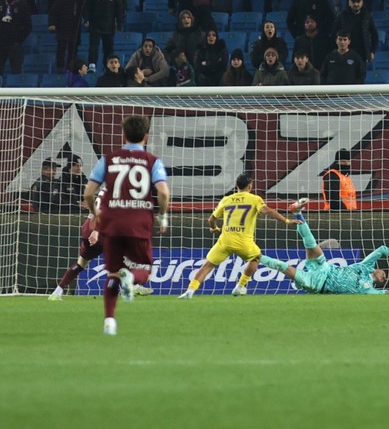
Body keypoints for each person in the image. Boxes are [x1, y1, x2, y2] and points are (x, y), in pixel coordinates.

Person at [83, 115, 171, 336]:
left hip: (112, 223)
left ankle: (110, 321)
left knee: (112, 273)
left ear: (123, 135)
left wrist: (95, 214)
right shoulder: (152, 161)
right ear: (146, 137)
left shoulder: (108, 159)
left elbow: (88, 193)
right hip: (138, 223)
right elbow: (162, 192)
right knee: (143, 268)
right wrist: (163, 215)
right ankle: (130, 278)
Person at [258, 198, 389, 295]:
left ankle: (254, 256)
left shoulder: (368, 289)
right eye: (383, 272)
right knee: (311, 242)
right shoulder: (365, 266)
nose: (384, 275)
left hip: (316, 283)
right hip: (324, 268)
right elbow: (382, 249)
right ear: (376, 269)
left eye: (385, 278)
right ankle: (297, 212)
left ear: (380, 281)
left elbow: (384, 294)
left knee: (280, 265)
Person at [178, 174, 300, 299]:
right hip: (243, 242)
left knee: (208, 265)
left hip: (225, 241)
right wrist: (286, 221)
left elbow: (211, 219)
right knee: (256, 258)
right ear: (250, 186)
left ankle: (190, 290)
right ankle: (240, 286)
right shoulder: (254, 199)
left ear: (236, 186)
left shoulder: (226, 199)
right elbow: (267, 211)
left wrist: (214, 228)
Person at [49, 185, 154, 301]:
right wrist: (96, 231)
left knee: (81, 264)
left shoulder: (106, 188)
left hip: (88, 228)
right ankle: (132, 286)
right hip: (100, 231)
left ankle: (57, 292)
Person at [330, 0, 379, 66]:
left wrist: (372, 51)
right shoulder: (342, 16)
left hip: (362, 53)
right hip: (345, 53)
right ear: (349, 3)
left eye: (358, 1)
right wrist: (336, 50)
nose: (356, 4)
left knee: (361, 75)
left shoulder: (367, 16)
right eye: (353, 2)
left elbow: (375, 35)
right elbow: (333, 34)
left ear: (362, 2)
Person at [83, 0, 123, 73]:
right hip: (95, 25)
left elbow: (119, 9)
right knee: (94, 45)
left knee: (108, 48)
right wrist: (86, 19)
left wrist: (119, 24)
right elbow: (87, 7)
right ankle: (92, 64)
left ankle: (108, 67)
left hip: (109, 26)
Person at [48, 0, 85, 73]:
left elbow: (86, 8)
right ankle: (60, 68)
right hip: (62, 28)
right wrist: (52, 24)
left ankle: (70, 69)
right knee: (61, 50)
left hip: (74, 29)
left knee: (73, 51)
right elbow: (53, 12)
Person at [0, 0, 32, 77]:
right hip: (1, 44)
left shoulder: (21, 4)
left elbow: (28, 26)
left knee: (16, 71)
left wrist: (18, 40)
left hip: (15, 45)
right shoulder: (1, 2)